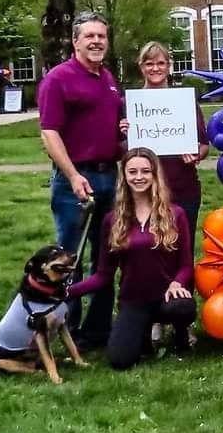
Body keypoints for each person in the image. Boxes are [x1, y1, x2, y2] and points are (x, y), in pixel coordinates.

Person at [37, 10, 124, 348]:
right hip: (75, 180)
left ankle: (98, 329)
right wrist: (73, 175)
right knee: (67, 259)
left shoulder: (108, 79)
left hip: (109, 175)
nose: (96, 41)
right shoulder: (59, 79)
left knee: (106, 255)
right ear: (75, 41)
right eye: (89, 36)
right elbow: (49, 133)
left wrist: (124, 135)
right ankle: (67, 327)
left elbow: (113, 131)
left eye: (101, 36)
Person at [68, 148, 195, 369]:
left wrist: (177, 283)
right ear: (124, 176)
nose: (139, 177)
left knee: (182, 307)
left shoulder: (175, 214)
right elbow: (102, 275)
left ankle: (181, 331)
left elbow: (186, 265)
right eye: (132, 172)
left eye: (146, 171)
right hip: (134, 301)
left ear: (155, 175)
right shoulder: (112, 220)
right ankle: (142, 332)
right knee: (120, 360)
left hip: (167, 298)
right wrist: (66, 292)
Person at [133, 42, 209, 237]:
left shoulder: (184, 101)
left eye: (160, 63)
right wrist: (125, 132)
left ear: (168, 66)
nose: (155, 68)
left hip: (182, 186)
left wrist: (196, 156)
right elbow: (119, 148)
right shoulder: (131, 104)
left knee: (183, 247)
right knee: (148, 248)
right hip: (143, 189)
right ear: (141, 67)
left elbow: (203, 145)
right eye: (149, 64)